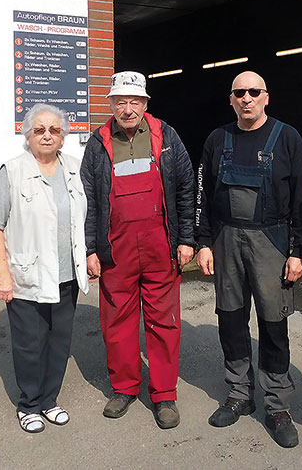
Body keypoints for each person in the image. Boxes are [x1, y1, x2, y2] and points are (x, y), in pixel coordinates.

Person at [195, 71, 302, 448]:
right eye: (239, 92)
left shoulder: (288, 138)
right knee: (230, 319)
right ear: (231, 99)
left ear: (266, 97)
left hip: (272, 241)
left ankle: (277, 405)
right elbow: (203, 194)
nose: (247, 98)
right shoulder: (217, 139)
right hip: (226, 239)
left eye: (254, 92)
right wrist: (203, 242)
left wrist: (298, 251)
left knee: (273, 324)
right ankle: (239, 395)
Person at [81, 71, 195, 429]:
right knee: (117, 321)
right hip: (116, 248)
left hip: (160, 244)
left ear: (145, 103)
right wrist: (90, 248)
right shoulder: (98, 143)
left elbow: (186, 188)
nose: (127, 109)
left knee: (164, 322)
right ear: (111, 105)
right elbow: (88, 200)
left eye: (134, 102)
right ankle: (125, 388)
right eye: (120, 102)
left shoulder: (167, 137)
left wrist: (187, 239)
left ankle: (164, 395)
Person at [0, 103, 90, 433]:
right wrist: (2, 273)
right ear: (27, 136)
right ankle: (28, 404)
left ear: (63, 136)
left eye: (54, 130)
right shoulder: (12, 171)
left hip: (66, 275)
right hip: (27, 276)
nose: (47, 135)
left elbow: (83, 219)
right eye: (39, 130)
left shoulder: (74, 168)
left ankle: (49, 400)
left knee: (59, 341)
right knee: (30, 343)